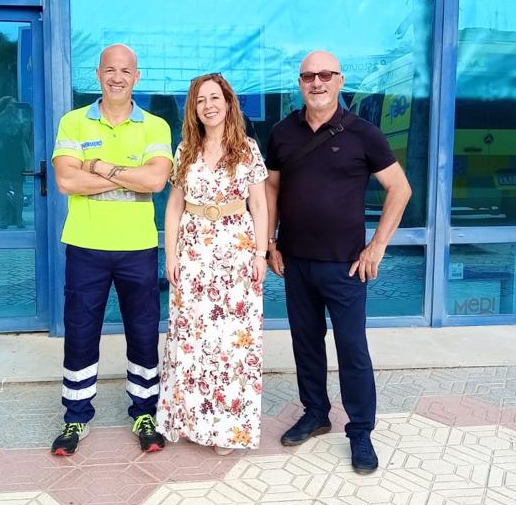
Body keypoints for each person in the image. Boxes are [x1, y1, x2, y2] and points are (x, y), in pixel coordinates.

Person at [265, 50, 411, 474]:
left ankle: (360, 431)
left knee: (352, 349)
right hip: (295, 261)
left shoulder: (364, 134)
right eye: (309, 76)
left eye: (325, 75)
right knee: (305, 343)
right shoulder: (282, 132)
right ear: (299, 83)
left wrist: (376, 247)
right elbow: (271, 188)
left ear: (340, 81)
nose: (317, 82)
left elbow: (400, 189)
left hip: (346, 266)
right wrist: (270, 242)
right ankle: (316, 413)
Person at [50, 44, 173, 456]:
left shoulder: (155, 126)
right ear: (98, 74)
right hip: (86, 245)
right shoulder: (73, 122)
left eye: (125, 71)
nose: (117, 77)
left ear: (137, 77)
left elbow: (155, 181)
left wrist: (98, 166)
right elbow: (66, 181)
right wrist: (129, 176)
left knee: (143, 332)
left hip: (137, 247)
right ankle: (76, 416)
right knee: (81, 332)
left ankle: (144, 413)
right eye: (109, 70)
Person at [156, 73, 268, 454]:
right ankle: (190, 421)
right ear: (194, 108)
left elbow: (259, 205)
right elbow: (174, 207)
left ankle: (227, 430)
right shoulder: (185, 149)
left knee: (232, 344)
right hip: (193, 254)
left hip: (237, 254)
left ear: (228, 102)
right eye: (201, 100)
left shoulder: (247, 149)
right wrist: (171, 254)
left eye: (215, 97)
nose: (209, 105)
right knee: (191, 340)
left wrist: (260, 254)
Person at [0, 95, 29, 229]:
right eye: (10, 105)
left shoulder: (19, 120)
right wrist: (4, 113)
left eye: (15, 105)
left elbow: (26, 136)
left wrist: (25, 120)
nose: (13, 107)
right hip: (2, 157)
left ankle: (19, 218)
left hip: (16, 157)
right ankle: (3, 218)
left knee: (18, 189)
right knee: (3, 188)